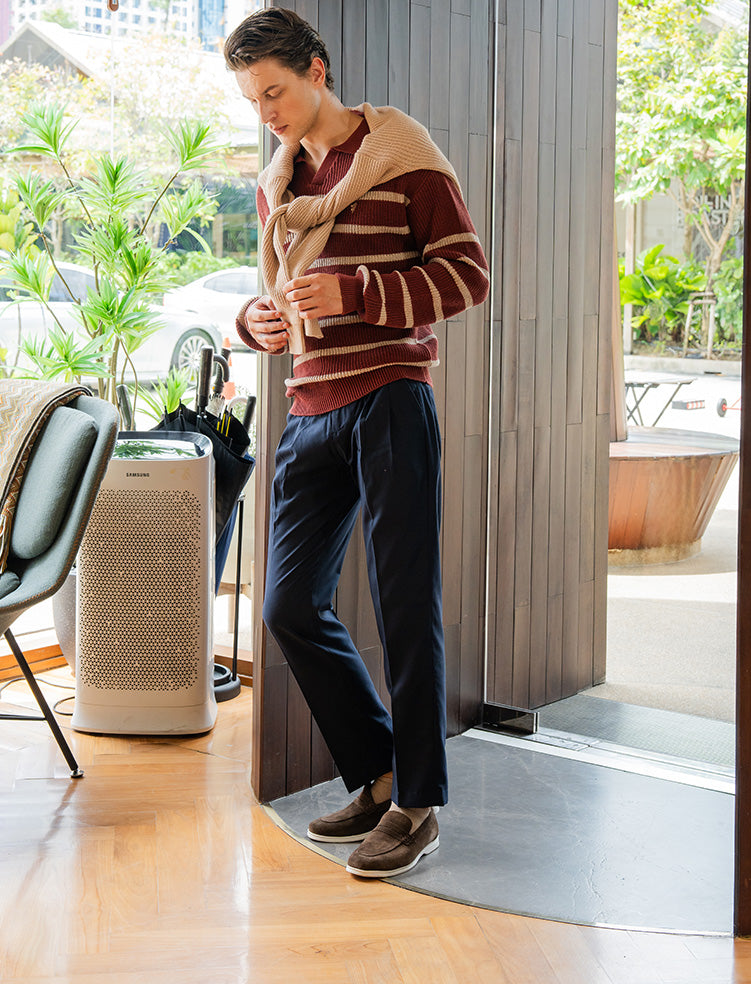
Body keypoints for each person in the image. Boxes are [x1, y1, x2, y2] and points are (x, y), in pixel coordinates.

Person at [224, 7, 489, 878]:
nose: (266, 112)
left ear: (317, 69)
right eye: (253, 100)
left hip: (390, 400)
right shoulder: (279, 186)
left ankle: (418, 804)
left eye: (275, 91)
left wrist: (360, 293)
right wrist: (256, 320)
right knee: (288, 607)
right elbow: (279, 295)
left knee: (405, 604)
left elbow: (467, 275)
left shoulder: (401, 154)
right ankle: (378, 773)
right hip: (309, 409)